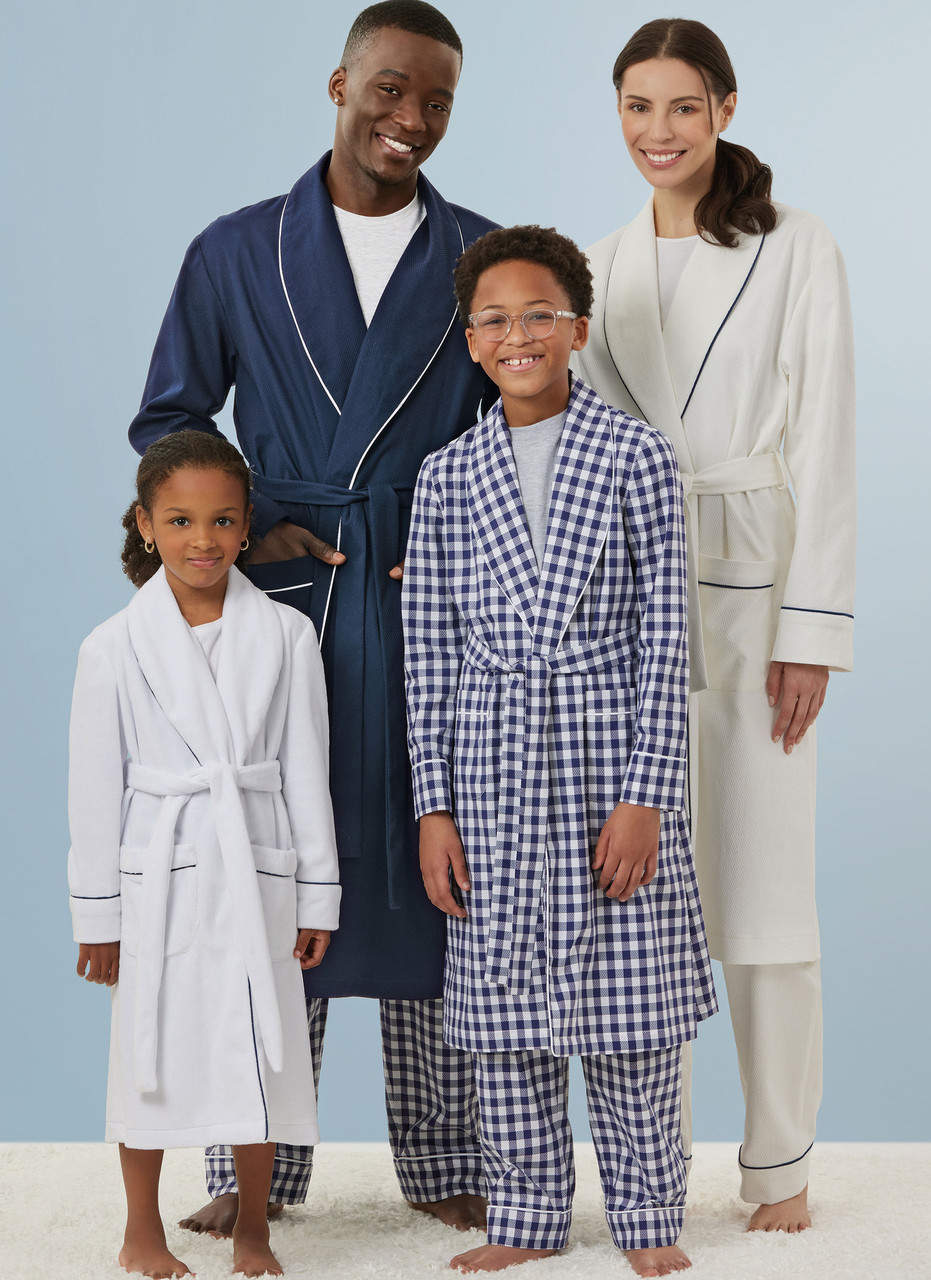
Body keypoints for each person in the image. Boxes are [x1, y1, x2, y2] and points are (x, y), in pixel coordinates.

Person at [129, 0, 496, 1236]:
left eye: (437, 101)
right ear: (339, 83)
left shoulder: (480, 254)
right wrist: (258, 519)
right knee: (271, 863)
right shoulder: (235, 250)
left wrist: (462, 541)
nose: (411, 118)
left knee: (435, 860)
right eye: (390, 88)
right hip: (281, 603)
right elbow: (169, 420)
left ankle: (443, 1153)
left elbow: (519, 414)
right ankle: (255, 1163)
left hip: (430, 598)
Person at [574, 18, 856, 1234]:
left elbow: (826, 437)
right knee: (644, 905)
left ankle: (780, 1161)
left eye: (682, 106)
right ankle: (654, 1177)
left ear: (724, 109)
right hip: (630, 609)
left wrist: (812, 628)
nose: (659, 131)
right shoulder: (598, 268)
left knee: (766, 889)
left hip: (755, 592)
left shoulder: (795, 244)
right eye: (637, 107)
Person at [402, 225, 717, 1277]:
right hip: (490, 764)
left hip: (606, 752)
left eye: (538, 313)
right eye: (493, 319)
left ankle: (647, 1214)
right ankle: (527, 1215)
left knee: (630, 1007)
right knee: (504, 1017)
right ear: (470, 341)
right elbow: (428, 653)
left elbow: (668, 636)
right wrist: (433, 807)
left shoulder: (635, 454)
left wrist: (646, 795)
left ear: (577, 329)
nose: (517, 334)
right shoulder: (447, 477)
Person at [68, 431, 340, 1279]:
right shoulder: (112, 646)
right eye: (180, 520)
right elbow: (92, 794)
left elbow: (306, 773)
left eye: (222, 520)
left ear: (248, 524)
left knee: (261, 1050)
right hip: (160, 877)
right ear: (145, 525)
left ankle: (254, 1227)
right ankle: (140, 1231)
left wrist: (316, 897)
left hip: (257, 873)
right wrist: (98, 916)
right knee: (148, 1054)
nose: (203, 539)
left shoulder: (287, 635)